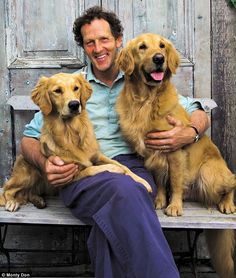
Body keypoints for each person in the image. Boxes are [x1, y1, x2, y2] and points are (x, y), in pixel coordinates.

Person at [20, 6, 216, 278]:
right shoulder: (70, 85)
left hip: (136, 170)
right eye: (90, 42)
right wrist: (45, 163)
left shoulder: (140, 75)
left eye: (104, 40)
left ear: (118, 40)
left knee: (112, 219)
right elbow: (29, 138)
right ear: (84, 48)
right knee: (124, 191)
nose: (98, 48)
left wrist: (191, 131)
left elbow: (194, 109)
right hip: (82, 173)